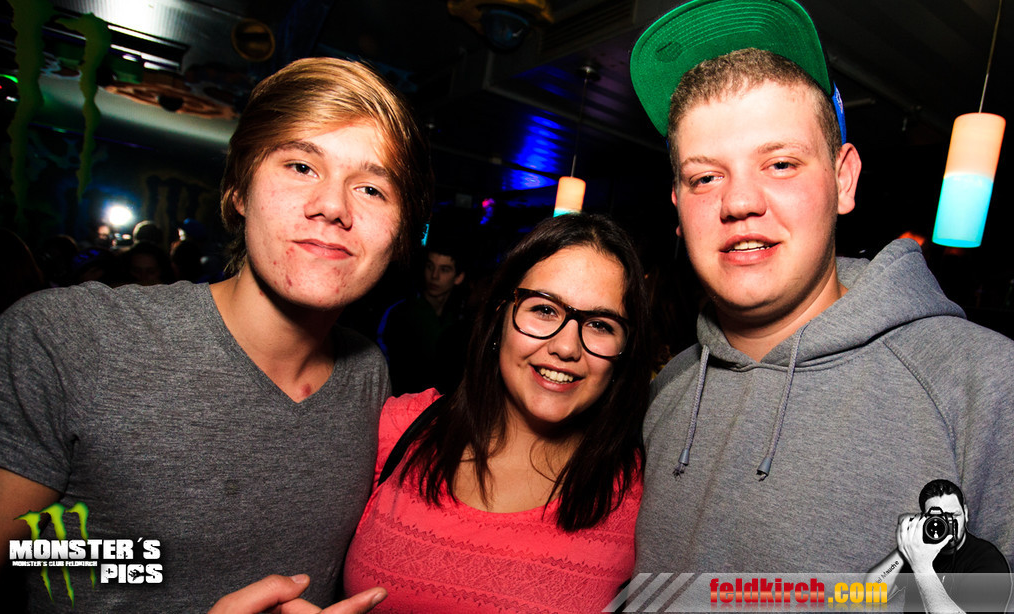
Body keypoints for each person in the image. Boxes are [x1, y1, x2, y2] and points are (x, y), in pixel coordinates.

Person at [0, 57, 431, 612]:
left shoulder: (368, 375)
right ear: (239, 190)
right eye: (300, 166)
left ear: (400, 232)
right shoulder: (69, 340)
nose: (332, 207)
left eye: (371, 189)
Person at [628, 0, 1014, 579]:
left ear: (843, 179)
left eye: (781, 164)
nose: (739, 202)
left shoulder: (982, 384)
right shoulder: (668, 390)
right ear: (679, 207)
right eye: (705, 177)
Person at [342, 213, 653, 612]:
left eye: (600, 325)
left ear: (624, 352)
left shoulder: (640, 495)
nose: (566, 347)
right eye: (544, 310)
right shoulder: (398, 429)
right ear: (499, 315)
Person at [866, 479, 1012, 612]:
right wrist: (905, 546)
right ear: (925, 520)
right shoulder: (917, 551)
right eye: (938, 519)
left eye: (953, 515)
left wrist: (922, 568)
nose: (947, 524)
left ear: (966, 513)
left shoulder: (988, 559)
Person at [379, 243, 469, 394]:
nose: (434, 276)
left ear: (458, 277)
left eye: (444, 269)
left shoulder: (459, 319)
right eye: (430, 266)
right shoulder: (401, 312)